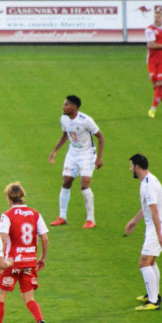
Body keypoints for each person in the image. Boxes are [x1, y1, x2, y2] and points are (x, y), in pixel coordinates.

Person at [0, 182, 49, 323]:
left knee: (0, 296)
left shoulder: (7, 215)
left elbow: (3, 237)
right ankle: (40, 320)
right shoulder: (35, 214)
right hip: (29, 263)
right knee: (29, 298)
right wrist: (42, 257)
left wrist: (0, 260)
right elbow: (44, 237)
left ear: (9, 198)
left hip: (12, 263)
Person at [124, 154, 162, 311]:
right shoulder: (147, 181)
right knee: (150, 262)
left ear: (137, 167)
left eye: (131, 166)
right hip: (156, 227)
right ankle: (154, 294)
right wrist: (134, 220)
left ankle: (153, 302)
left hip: (158, 227)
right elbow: (147, 207)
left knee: (144, 262)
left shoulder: (149, 185)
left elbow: (155, 211)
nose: (130, 169)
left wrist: (159, 235)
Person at [47, 95, 104, 229]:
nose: (63, 107)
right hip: (72, 154)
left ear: (74, 107)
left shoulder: (86, 120)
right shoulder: (64, 119)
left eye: (66, 105)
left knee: (85, 184)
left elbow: (100, 137)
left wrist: (99, 158)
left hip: (87, 154)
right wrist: (55, 151)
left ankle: (90, 219)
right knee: (66, 182)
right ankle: (62, 217)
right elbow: (65, 135)